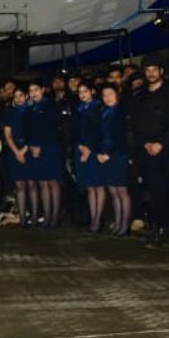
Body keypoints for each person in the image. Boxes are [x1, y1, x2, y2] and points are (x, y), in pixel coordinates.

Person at [128, 61, 169, 246]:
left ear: (161, 71)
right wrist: (145, 143)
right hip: (147, 149)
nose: (151, 73)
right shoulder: (140, 96)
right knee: (155, 190)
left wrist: (162, 143)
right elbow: (136, 124)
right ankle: (161, 228)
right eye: (148, 70)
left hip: (167, 148)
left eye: (154, 70)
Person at [25, 79, 63, 228]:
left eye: (36, 90)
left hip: (50, 147)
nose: (33, 93)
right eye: (31, 91)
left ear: (42, 90)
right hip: (35, 149)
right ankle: (46, 216)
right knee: (42, 182)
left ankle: (55, 216)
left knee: (53, 181)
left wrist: (40, 145)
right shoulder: (30, 109)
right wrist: (31, 146)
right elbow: (29, 129)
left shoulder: (50, 106)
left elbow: (51, 128)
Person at [97, 84, 132, 236]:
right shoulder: (104, 113)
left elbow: (121, 137)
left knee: (121, 190)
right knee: (112, 190)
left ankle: (125, 224)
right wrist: (100, 152)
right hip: (105, 154)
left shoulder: (121, 112)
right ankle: (118, 222)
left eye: (110, 94)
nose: (107, 98)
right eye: (104, 95)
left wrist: (109, 153)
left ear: (117, 94)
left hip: (119, 154)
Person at [75, 83, 105, 232]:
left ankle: (98, 218)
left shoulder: (98, 108)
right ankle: (93, 217)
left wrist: (89, 149)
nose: (82, 94)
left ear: (92, 91)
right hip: (81, 150)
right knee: (90, 187)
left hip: (95, 150)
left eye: (85, 91)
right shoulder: (79, 109)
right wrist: (80, 146)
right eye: (80, 92)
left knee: (98, 185)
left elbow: (99, 131)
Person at [2, 87, 34, 226]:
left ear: (26, 96)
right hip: (14, 150)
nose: (19, 98)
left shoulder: (32, 112)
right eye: (16, 96)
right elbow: (7, 135)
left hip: (29, 150)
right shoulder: (10, 114)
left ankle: (34, 215)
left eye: (21, 95)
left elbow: (35, 133)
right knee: (19, 185)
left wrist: (24, 150)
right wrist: (17, 152)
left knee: (32, 184)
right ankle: (22, 217)